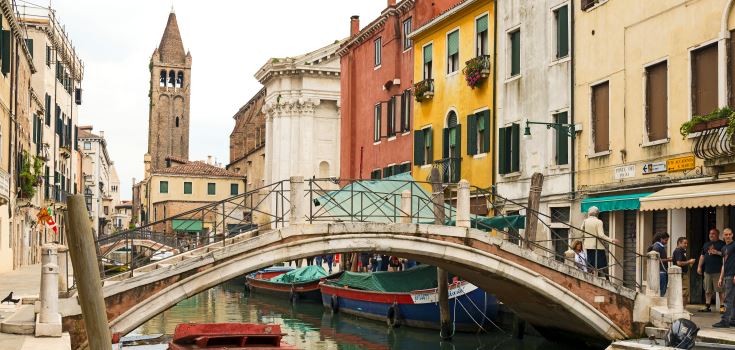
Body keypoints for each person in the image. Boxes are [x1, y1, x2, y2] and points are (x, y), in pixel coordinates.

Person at [577, 206, 616, 277]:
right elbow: (601, 235)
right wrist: (611, 240)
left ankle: (589, 277)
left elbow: (580, 233)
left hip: (588, 246)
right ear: (597, 213)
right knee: (603, 264)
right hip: (598, 246)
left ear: (589, 213)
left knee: (590, 263)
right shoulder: (599, 222)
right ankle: (608, 280)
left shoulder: (585, 221)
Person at [697, 228, 725, 313]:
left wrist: (717, 252)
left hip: (718, 271)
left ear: (717, 234)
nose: (711, 235)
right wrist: (699, 266)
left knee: (720, 290)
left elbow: (726, 255)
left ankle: (722, 308)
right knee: (707, 290)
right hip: (707, 271)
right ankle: (707, 306)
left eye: (713, 233)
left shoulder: (722, 244)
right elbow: (702, 256)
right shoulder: (706, 244)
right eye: (710, 233)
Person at [713, 228, 735, 328]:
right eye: (726, 234)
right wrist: (721, 278)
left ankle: (725, 321)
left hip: (732, 275)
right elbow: (723, 264)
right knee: (732, 299)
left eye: (729, 234)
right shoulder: (724, 248)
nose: (728, 236)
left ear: (732, 235)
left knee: (727, 299)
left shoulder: (734, 246)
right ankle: (732, 320)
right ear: (723, 236)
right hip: (726, 275)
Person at [672, 237, 696, 305]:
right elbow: (679, 263)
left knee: (683, 292)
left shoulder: (679, 251)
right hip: (682, 274)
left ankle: (683, 309)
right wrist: (689, 261)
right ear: (679, 243)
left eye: (687, 243)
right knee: (684, 292)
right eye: (684, 243)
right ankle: (683, 309)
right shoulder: (679, 251)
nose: (686, 245)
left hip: (681, 274)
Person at [649, 232, 671, 296]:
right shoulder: (657, 247)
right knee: (661, 291)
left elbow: (661, 258)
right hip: (661, 272)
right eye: (666, 240)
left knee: (663, 290)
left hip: (663, 272)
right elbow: (656, 261)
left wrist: (668, 259)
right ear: (661, 239)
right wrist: (668, 260)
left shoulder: (660, 247)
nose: (666, 242)